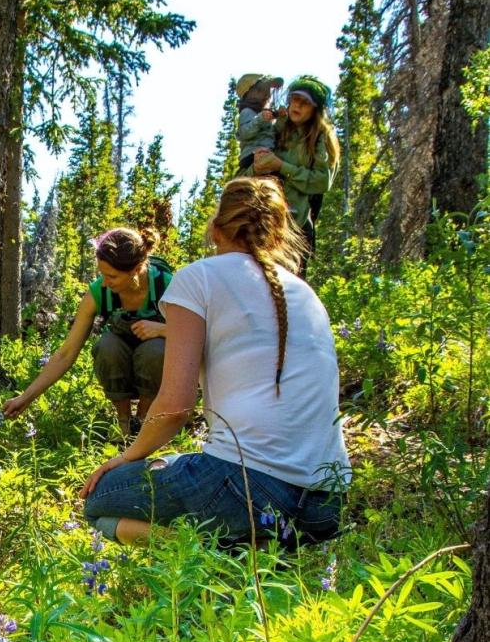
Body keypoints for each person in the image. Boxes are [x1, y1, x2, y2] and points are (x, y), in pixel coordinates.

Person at [80, 177, 350, 548]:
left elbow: (175, 407)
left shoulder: (198, 278)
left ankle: (212, 552)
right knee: (186, 466)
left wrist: (125, 458)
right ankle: (259, 548)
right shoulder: (304, 292)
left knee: (98, 503)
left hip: (248, 486)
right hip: (327, 504)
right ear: (275, 233)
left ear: (216, 228)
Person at [2, 227, 172, 436]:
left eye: (112, 276)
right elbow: (66, 353)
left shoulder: (165, 284)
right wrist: (25, 397)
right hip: (121, 358)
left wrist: (164, 329)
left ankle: (145, 419)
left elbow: (197, 332)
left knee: (155, 350)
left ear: (136, 269)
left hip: (158, 365)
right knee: (106, 346)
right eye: (102, 274)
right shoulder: (99, 292)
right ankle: (124, 425)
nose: (105, 283)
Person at [252, 75, 340, 254]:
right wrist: (255, 167)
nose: (297, 105)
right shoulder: (277, 129)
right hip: (263, 222)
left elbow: (322, 181)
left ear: (315, 109)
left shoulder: (322, 138)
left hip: (296, 226)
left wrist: (281, 166)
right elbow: (246, 170)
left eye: (304, 103)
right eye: (294, 99)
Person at [235, 73, 284, 172]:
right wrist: (260, 119)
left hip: (267, 155)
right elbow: (245, 133)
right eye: (260, 90)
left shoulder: (264, 114)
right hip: (251, 157)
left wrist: (281, 118)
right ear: (248, 94)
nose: (267, 95)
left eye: (267, 91)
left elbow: (274, 133)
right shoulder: (247, 112)